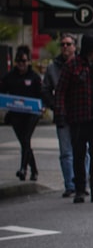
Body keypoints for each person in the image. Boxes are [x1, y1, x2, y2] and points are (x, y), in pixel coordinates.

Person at [56, 33, 93, 204]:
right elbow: (61, 91)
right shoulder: (72, 66)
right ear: (90, 49)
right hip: (78, 117)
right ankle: (80, 189)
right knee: (78, 154)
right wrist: (60, 113)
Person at [42, 33, 78, 197]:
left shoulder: (81, 64)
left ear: (74, 47)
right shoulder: (53, 67)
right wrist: (54, 105)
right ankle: (70, 184)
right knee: (66, 152)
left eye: (68, 44)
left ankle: (80, 182)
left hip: (79, 113)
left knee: (82, 150)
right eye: (62, 44)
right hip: (62, 113)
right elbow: (45, 89)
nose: (65, 47)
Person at [1, 47, 43, 181]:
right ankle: (34, 170)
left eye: (24, 61)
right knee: (24, 142)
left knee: (26, 139)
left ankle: (23, 169)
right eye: (18, 61)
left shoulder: (34, 77)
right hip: (16, 114)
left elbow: (41, 94)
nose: (21, 64)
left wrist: (44, 106)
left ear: (29, 61)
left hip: (31, 113)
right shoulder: (10, 77)